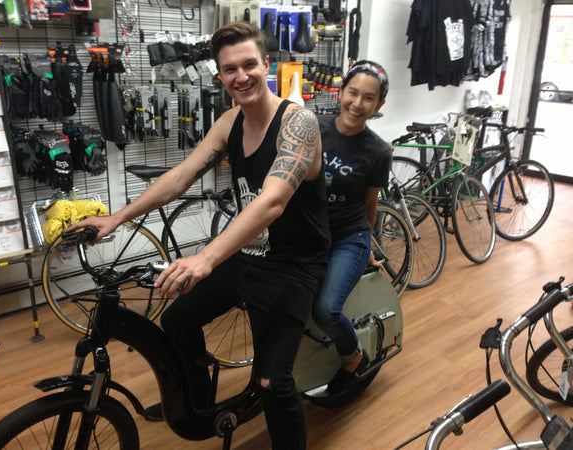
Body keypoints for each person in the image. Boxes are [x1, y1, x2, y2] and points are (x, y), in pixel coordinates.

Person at [68, 22, 330, 450]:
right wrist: (117, 217)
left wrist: (206, 257)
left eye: (249, 65)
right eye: (230, 69)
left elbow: (272, 202)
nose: (241, 76)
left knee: (272, 382)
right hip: (249, 252)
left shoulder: (298, 123)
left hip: (293, 263)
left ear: (267, 64)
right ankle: (199, 405)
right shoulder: (230, 122)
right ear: (219, 76)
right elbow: (180, 178)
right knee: (177, 319)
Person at [312, 60, 392, 395]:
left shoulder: (379, 151)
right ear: (341, 91)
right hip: (310, 232)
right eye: (353, 93)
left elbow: (369, 205)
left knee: (326, 310)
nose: (357, 104)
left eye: (368, 98)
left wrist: (369, 248)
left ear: (379, 105)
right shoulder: (313, 126)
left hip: (349, 238)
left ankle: (353, 356)